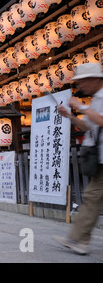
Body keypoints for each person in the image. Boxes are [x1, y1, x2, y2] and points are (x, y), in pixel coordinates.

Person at [54, 63, 103, 255]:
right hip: (99, 157)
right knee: (92, 197)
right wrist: (70, 116)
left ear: (94, 79)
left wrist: (80, 106)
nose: (80, 85)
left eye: (82, 81)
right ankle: (78, 239)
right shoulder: (96, 99)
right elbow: (88, 127)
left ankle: (78, 240)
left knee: (91, 197)